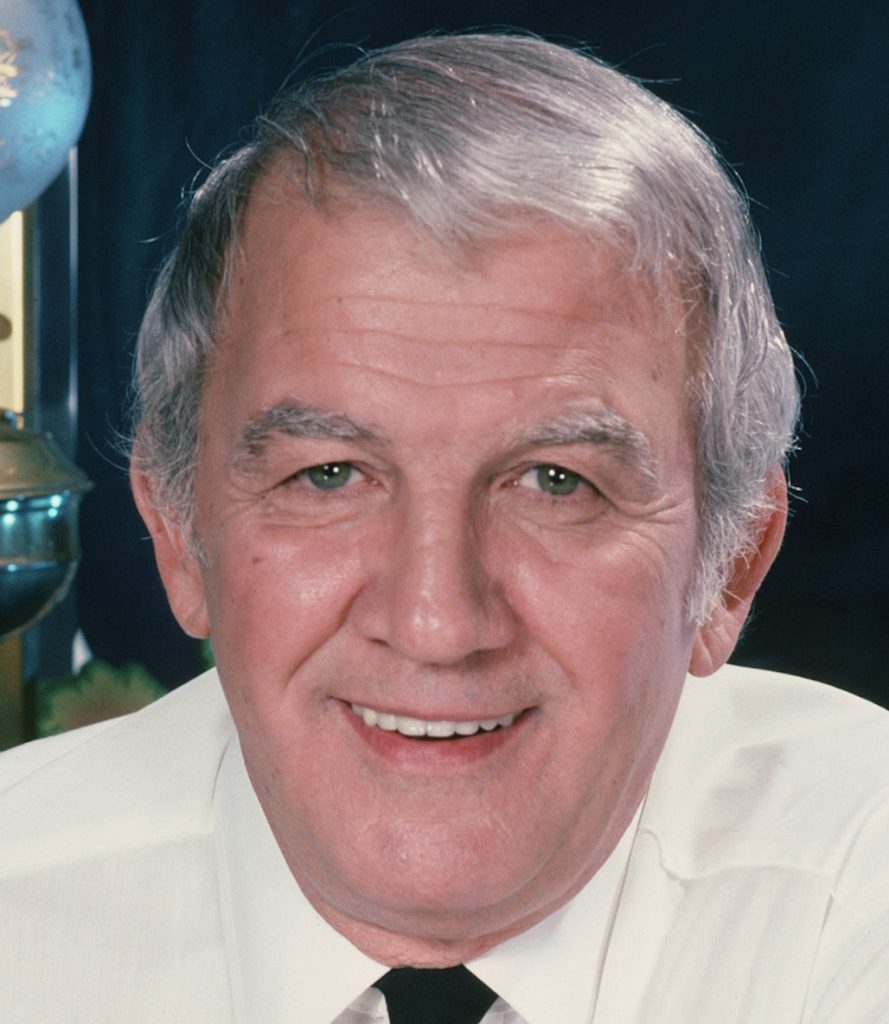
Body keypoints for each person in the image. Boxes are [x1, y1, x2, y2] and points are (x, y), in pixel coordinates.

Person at [1, 32, 887, 1024]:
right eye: (328, 475)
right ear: (176, 529)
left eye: (557, 483)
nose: (436, 623)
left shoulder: (860, 902)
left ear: (729, 567)